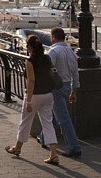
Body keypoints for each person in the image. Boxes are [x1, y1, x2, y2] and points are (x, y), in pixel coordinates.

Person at [5, 34, 60, 165]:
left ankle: (17, 148)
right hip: (48, 94)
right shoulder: (47, 58)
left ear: (30, 47)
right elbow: (51, 74)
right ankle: (54, 154)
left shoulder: (29, 62)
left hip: (35, 95)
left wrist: (29, 101)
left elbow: (31, 81)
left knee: (25, 122)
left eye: (27, 46)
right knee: (48, 123)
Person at [37, 27, 82, 157]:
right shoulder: (71, 52)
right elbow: (75, 73)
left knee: (63, 118)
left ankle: (74, 146)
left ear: (54, 38)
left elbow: (47, 70)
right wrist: (74, 91)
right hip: (68, 86)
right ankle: (44, 137)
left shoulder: (53, 51)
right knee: (58, 114)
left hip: (56, 86)